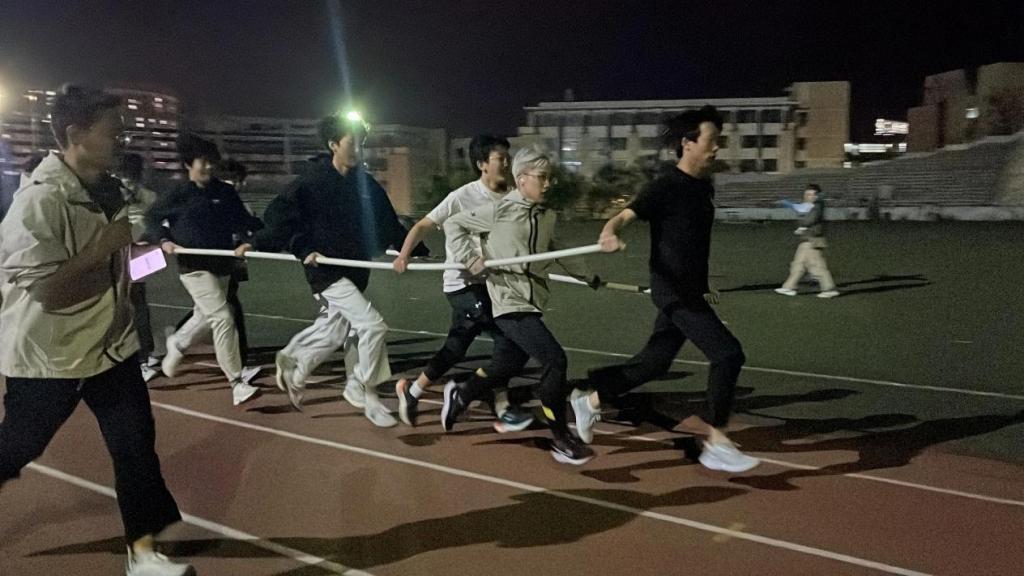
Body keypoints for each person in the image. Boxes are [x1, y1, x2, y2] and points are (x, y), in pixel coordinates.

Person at [0, 85, 192, 575]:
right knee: (17, 448)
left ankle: (143, 555)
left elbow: (121, 270)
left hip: (110, 346)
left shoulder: (110, 191)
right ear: (75, 134)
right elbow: (47, 292)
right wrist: (104, 248)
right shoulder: (38, 202)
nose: (122, 139)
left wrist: (153, 258)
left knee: (135, 447)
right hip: (50, 354)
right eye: (113, 131)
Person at [574, 105, 760, 473]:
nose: (716, 147)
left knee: (654, 363)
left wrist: (703, 285)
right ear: (688, 143)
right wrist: (609, 232)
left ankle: (590, 401)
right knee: (727, 355)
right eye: (711, 140)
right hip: (672, 290)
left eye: (718, 141)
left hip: (690, 290)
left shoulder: (703, 187)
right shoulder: (666, 186)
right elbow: (624, 215)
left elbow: (691, 242)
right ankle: (717, 441)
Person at [241, 113, 408, 427]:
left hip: (355, 269)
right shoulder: (312, 181)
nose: (358, 148)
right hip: (325, 270)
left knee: (335, 330)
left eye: (361, 142)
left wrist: (412, 249)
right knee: (373, 326)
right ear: (333, 144)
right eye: (351, 142)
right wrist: (269, 244)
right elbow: (279, 216)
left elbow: (387, 223)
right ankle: (364, 390)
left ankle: (296, 363)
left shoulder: (366, 185)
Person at [441, 146, 601, 465]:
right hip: (507, 302)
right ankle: (561, 438)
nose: (548, 183)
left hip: (533, 302)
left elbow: (556, 249)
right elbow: (453, 225)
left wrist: (588, 275)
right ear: (522, 178)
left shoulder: (547, 215)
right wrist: (470, 258)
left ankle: (463, 393)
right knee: (555, 360)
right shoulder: (499, 210)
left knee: (506, 365)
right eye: (542, 177)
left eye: (549, 177)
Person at [391, 135, 533, 431]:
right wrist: (403, 255)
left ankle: (412, 391)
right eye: (500, 159)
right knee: (507, 336)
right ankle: (500, 405)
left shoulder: (512, 197)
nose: (506, 164)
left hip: (492, 283)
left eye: (508, 158)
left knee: (456, 348)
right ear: (482, 164)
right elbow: (423, 224)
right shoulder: (462, 197)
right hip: (462, 284)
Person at [144, 133, 263, 406]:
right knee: (222, 317)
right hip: (193, 267)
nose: (208, 167)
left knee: (205, 315)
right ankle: (236, 382)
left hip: (222, 264)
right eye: (203, 162)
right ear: (189, 164)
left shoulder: (225, 192)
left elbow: (244, 221)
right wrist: (164, 240)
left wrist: (252, 240)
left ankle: (178, 343)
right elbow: (152, 217)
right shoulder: (178, 194)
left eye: (212, 162)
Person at [172, 157, 255, 363]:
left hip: (228, 264)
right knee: (224, 311)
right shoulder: (209, 201)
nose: (240, 185)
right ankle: (237, 365)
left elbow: (246, 228)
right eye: (237, 180)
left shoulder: (233, 202)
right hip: (204, 264)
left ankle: (180, 338)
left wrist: (248, 242)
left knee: (211, 310)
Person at [118, 153, 162, 381]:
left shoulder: (122, 193)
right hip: (141, 250)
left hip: (132, 250)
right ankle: (147, 353)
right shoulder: (147, 195)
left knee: (131, 304)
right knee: (138, 302)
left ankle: (141, 360)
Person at [774, 184, 839, 298]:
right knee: (798, 265)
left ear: (817, 196)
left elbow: (809, 220)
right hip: (807, 238)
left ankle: (829, 289)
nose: (807, 196)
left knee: (816, 266)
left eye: (810, 194)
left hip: (812, 239)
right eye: (806, 194)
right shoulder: (813, 205)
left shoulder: (817, 206)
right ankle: (789, 287)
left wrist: (802, 223)